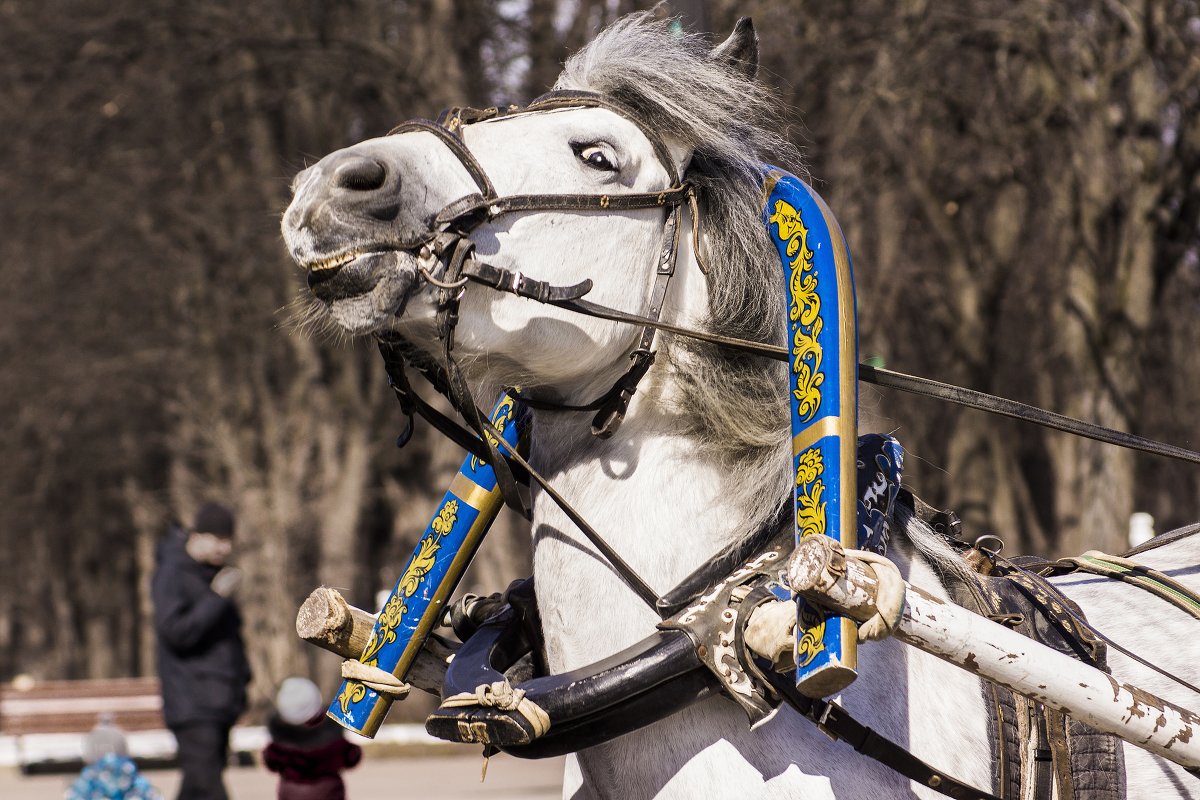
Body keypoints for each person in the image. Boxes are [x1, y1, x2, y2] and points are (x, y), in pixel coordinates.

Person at [151, 502, 251, 800]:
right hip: (191, 702)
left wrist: (242, 685)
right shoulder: (172, 573)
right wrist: (215, 598)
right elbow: (176, 633)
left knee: (196, 789)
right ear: (197, 536)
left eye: (228, 539)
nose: (225, 547)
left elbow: (229, 641)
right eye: (219, 539)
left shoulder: (211, 575)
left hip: (220, 701)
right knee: (209, 788)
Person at [263, 677, 362, 800]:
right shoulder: (332, 739)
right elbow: (352, 756)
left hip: (291, 793)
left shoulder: (281, 744)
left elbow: (270, 760)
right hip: (328, 792)